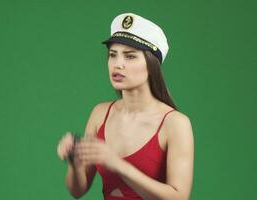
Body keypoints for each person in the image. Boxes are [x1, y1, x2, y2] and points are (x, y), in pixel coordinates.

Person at [57, 13, 194, 200]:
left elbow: (179, 197)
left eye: (130, 57)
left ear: (151, 64)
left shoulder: (175, 123)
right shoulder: (100, 114)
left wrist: (117, 164)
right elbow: (77, 191)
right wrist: (74, 162)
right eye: (113, 55)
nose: (117, 64)